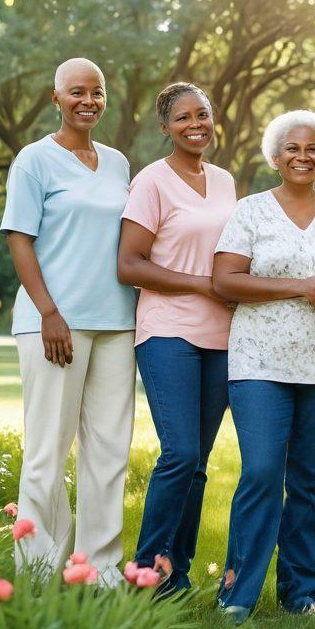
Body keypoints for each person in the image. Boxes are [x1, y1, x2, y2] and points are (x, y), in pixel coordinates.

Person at [212, 110, 315, 621]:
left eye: (312, 148)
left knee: (310, 483)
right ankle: (237, 595)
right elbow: (225, 281)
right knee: (260, 474)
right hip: (259, 362)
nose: (303, 156)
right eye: (292, 149)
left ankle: (299, 596)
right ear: (275, 157)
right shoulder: (250, 210)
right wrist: (300, 287)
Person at [1, 58, 138, 583]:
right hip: (53, 323)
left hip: (117, 322)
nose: (88, 101)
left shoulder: (118, 163)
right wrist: (48, 312)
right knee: (46, 451)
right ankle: (37, 572)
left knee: (109, 452)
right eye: (77, 91)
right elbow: (19, 238)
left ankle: (99, 572)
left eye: (96, 92)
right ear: (55, 98)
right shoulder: (34, 160)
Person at [118, 82, 236, 594]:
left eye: (202, 114)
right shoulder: (152, 181)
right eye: (183, 117)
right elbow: (129, 265)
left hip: (222, 337)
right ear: (165, 126)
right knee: (180, 454)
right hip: (168, 331)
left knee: (198, 465)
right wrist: (201, 285)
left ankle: (177, 575)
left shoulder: (225, 181)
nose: (195, 125)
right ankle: (146, 572)